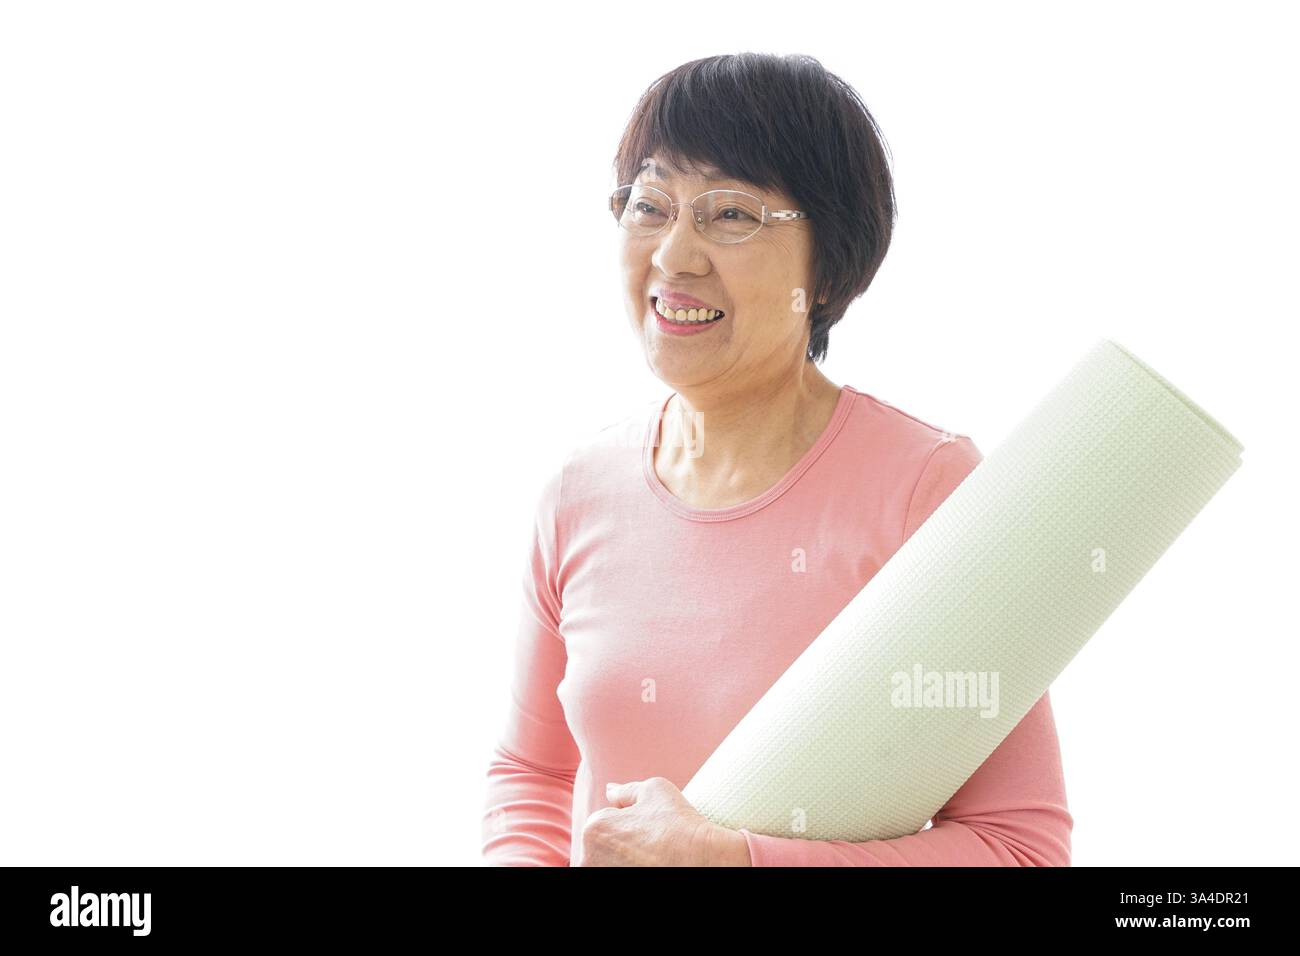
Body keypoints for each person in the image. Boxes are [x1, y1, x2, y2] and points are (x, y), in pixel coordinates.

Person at [480, 52, 1072, 866]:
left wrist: (737, 859)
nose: (674, 255)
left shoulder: (926, 491)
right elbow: (532, 772)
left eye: (730, 215)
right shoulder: (579, 493)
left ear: (827, 266)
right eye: (650, 205)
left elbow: (1021, 844)